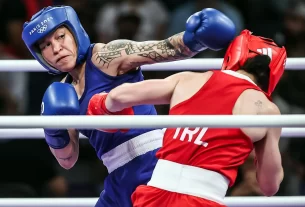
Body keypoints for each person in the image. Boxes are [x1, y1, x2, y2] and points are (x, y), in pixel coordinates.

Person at [21, 5, 236, 207]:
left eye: (60, 37)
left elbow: (164, 48)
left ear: (75, 33)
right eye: (46, 45)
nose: (57, 48)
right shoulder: (61, 94)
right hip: (117, 177)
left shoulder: (105, 56)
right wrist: (54, 132)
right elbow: (67, 160)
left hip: (153, 162)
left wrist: (194, 39)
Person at [93, 29, 287, 206]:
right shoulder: (267, 111)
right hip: (203, 200)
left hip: (153, 196)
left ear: (233, 55)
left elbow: (118, 96)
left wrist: (102, 105)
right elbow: (269, 187)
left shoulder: (190, 79)